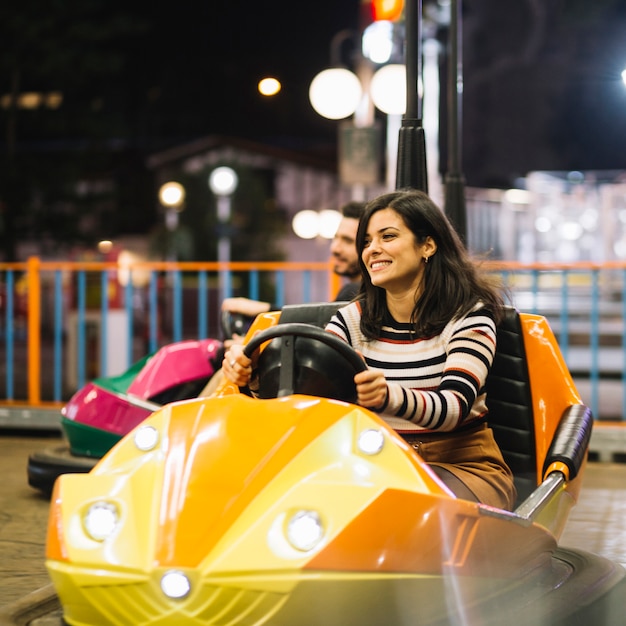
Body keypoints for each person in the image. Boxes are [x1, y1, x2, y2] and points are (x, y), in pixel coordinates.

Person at [223, 189, 516, 510]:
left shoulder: (468, 316)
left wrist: (388, 396)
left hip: (458, 464)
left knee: (402, 507)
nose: (373, 249)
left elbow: (453, 408)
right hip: (373, 460)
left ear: (428, 245)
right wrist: (250, 379)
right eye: (366, 241)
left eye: (387, 237)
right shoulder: (352, 319)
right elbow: (309, 399)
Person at [220, 200, 365, 331]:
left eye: (347, 241)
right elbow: (318, 321)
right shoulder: (356, 294)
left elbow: (317, 330)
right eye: (335, 238)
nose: (335, 248)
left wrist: (265, 311)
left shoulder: (355, 293)